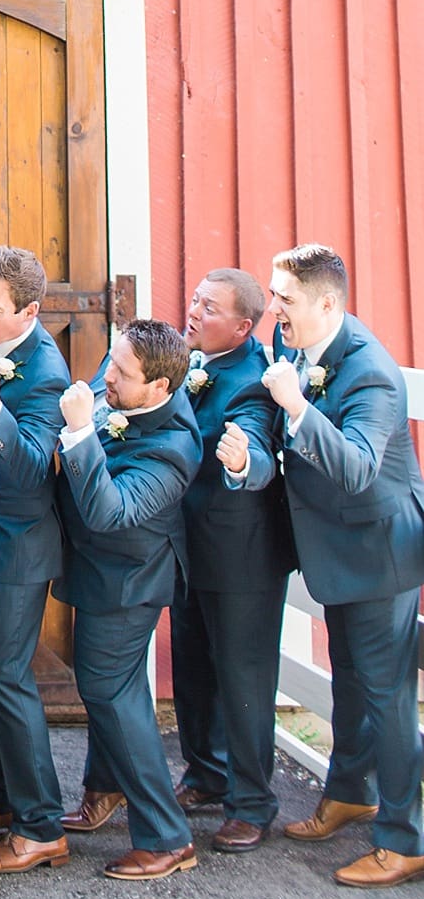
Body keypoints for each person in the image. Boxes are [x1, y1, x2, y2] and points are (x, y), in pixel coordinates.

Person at [223, 242, 424, 887]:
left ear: (329, 303)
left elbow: (359, 468)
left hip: (378, 553)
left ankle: (404, 837)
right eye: (274, 294)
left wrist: (297, 407)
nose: (274, 309)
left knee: (388, 696)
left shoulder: (370, 372)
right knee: (354, 683)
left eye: (286, 299)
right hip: (336, 552)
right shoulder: (298, 349)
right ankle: (349, 792)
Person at [54, 319, 201, 881]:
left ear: (159, 390)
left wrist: (78, 433)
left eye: (121, 372)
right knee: (111, 689)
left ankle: (167, 837)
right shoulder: (123, 386)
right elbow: (98, 398)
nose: (104, 377)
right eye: (110, 363)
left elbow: (108, 512)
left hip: (130, 580)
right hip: (99, 570)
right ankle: (106, 788)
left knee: (109, 691)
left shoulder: (172, 451)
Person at [0, 246, 72, 876]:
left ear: (28, 311)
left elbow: (31, 468)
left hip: (18, 548)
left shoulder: (45, 372)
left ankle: (41, 824)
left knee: (5, 678)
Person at [169, 267, 293, 852]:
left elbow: (257, 450)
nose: (194, 312)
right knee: (193, 670)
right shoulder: (193, 361)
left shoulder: (252, 380)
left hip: (241, 555)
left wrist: (244, 461)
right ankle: (205, 774)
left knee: (243, 679)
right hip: (190, 545)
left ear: (243, 327)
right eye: (195, 300)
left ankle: (252, 801)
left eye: (209, 308)